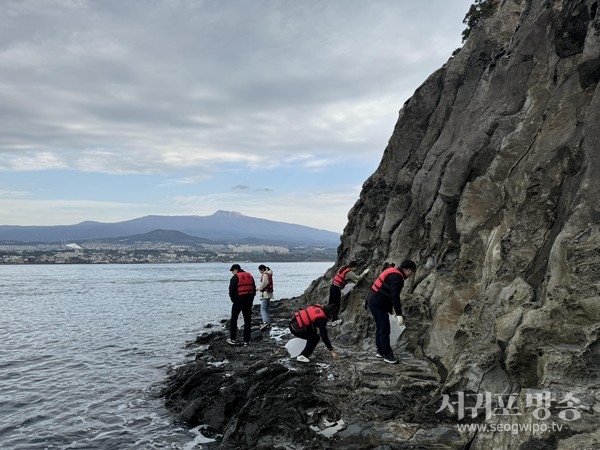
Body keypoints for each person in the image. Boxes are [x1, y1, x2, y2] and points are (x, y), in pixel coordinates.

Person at [366, 259, 416, 364]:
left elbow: (386, 292)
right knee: (384, 328)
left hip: (374, 300)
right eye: (412, 272)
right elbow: (395, 297)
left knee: (380, 326)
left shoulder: (394, 272)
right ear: (407, 270)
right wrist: (399, 314)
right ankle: (387, 355)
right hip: (376, 303)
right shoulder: (397, 278)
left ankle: (380, 351)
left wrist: (390, 311)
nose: (411, 275)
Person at [328, 261, 367, 325]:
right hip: (336, 288)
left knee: (331, 303)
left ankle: (328, 318)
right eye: (355, 268)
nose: (356, 269)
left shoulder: (343, 268)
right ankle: (334, 319)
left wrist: (354, 281)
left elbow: (346, 278)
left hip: (332, 286)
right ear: (353, 267)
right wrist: (364, 273)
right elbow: (359, 278)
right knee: (337, 304)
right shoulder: (349, 272)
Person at [227, 264, 256, 346]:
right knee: (247, 320)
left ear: (235, 270)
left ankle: (233, 339)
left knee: (234, 319)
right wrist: (251, 300)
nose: (232, 273)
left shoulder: (235, 277)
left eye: (232, 271)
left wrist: (233, 300)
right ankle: (246, 341)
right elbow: (253, 289)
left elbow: (231, 291)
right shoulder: (250, 276)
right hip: (248, 300)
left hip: (238, 300)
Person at [257, 264, 274, 331]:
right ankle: (268, 322)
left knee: (263, 308)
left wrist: (257, 288)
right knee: (266, 308)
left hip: (266, 294)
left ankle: (265, 322)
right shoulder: (269, 274)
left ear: (262, 269)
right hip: (269, 293)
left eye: (260, 271)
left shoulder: (265, 275)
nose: (260, 272)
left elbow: (264, 283)